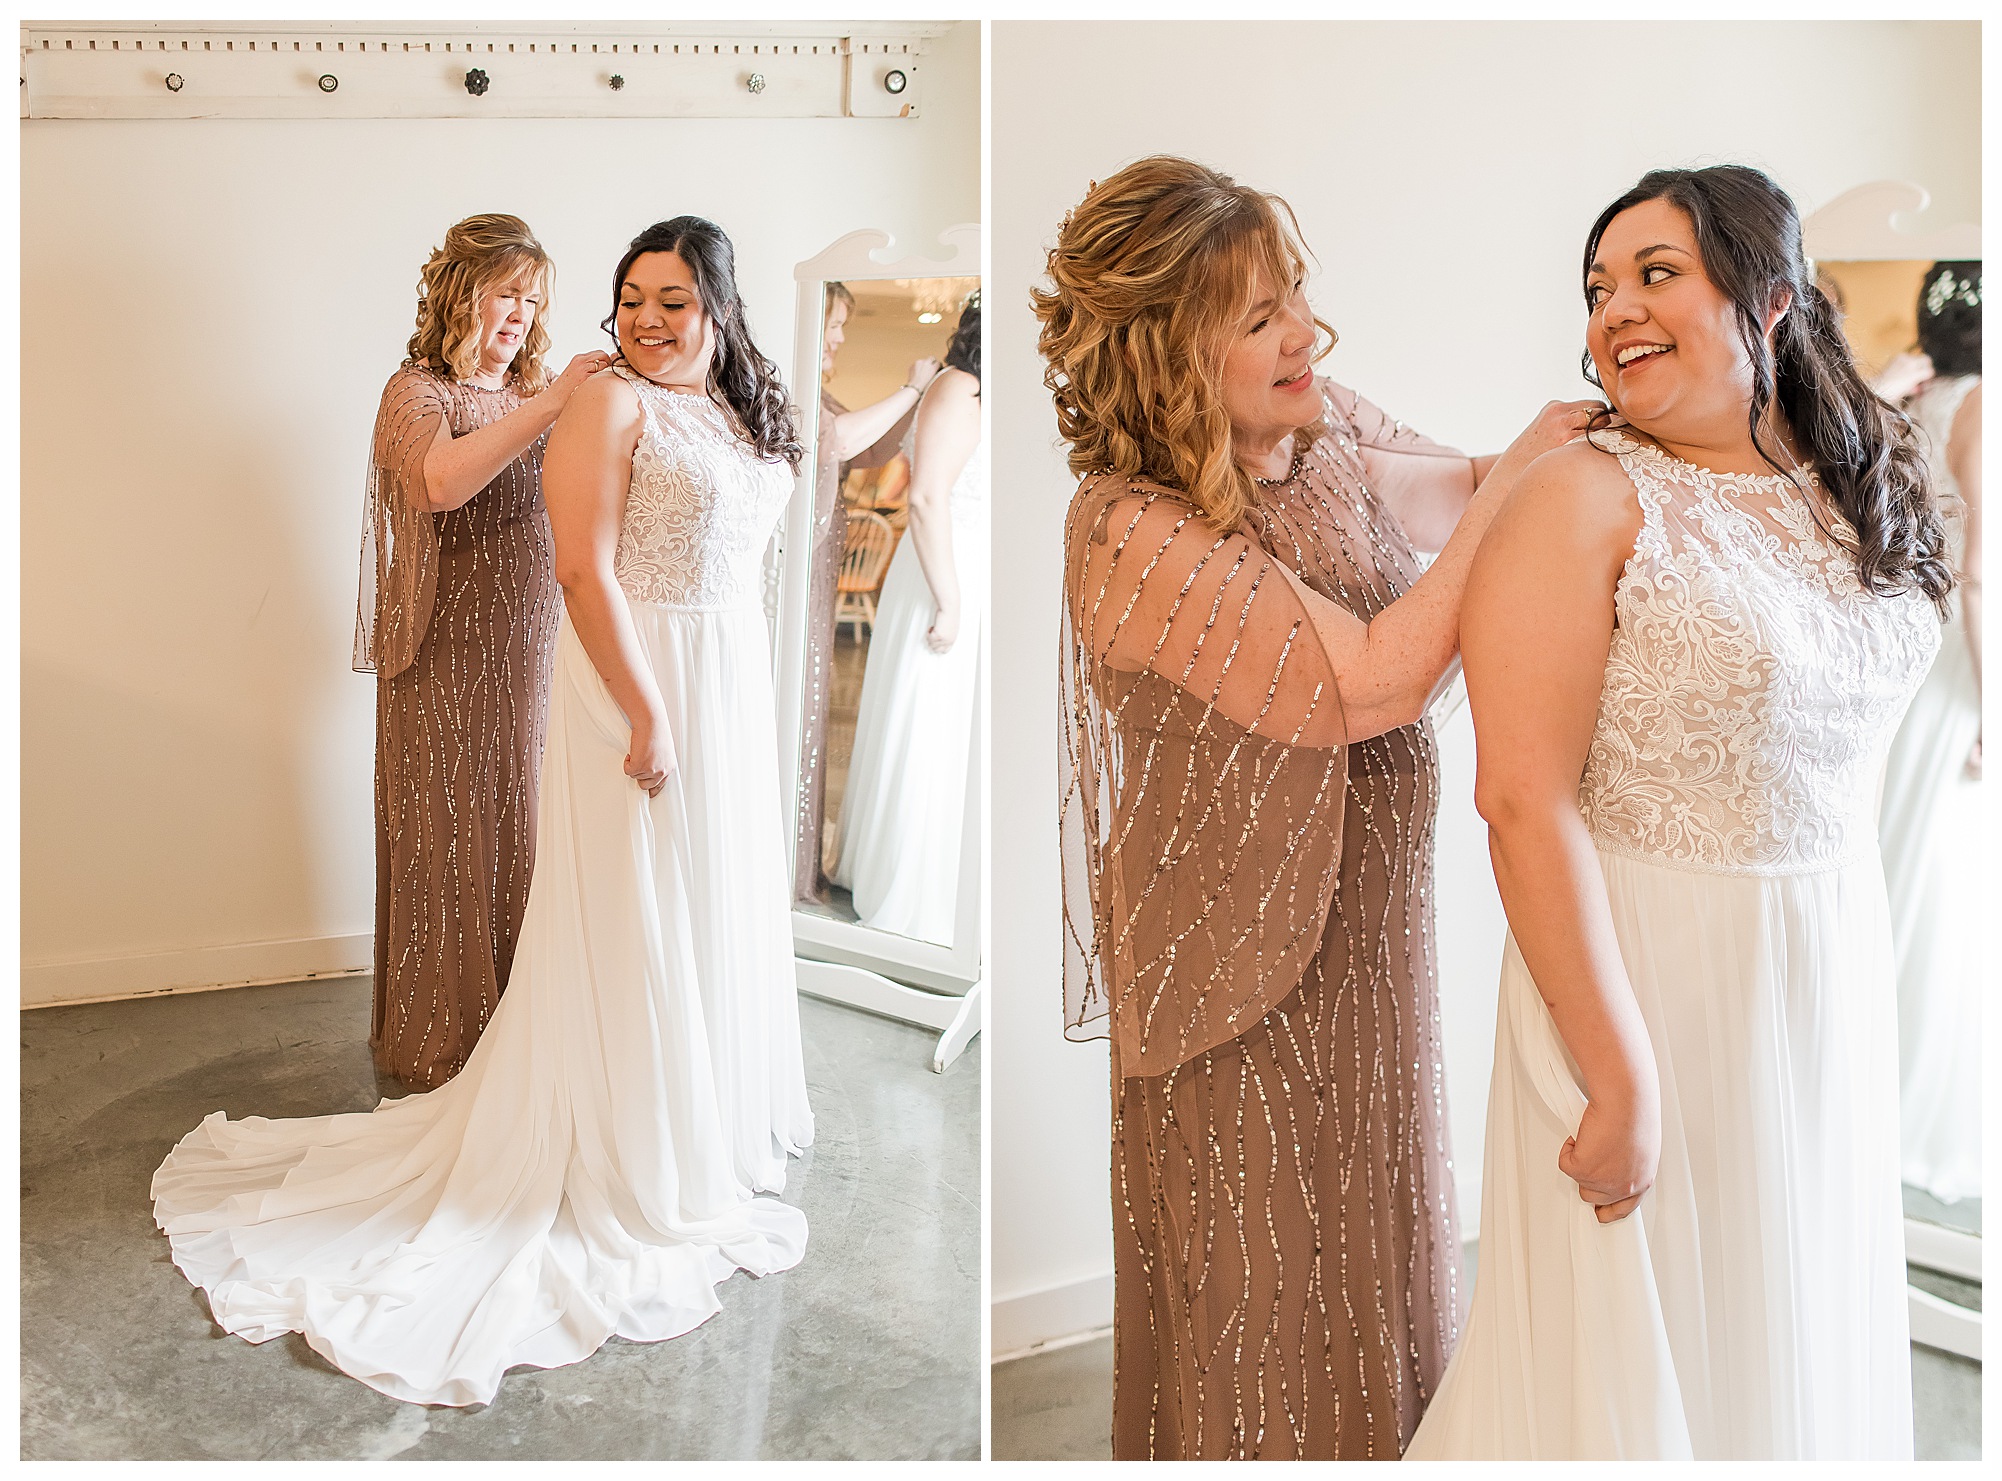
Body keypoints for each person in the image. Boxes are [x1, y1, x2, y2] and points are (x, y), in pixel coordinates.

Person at [153, 216, 813, 1407]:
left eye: (670, 299)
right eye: (629, 298)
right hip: (555, 667)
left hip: (644, 667)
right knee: (535, 878)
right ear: (459, 294)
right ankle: (491, 1065)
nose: (642, 319)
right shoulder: (475, 396)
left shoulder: (700, 407)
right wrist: (647, 707)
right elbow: (492, 509)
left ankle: (692, 1102)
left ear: (718, 305)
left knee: (601, 878)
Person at [1038, 156, 1600, 1460]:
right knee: (1263, 1274)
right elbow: (1371, 682)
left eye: (1292, 293)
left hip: (1365, 935)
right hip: (1234, 961)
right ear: (1166, 354)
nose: (1304, 332)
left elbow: (1459, 490)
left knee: (1373, 1237)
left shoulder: (1319, 418)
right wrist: (1522, 477)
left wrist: (1571, 448)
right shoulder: (1127, 526)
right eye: (1258, 316)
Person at [1407, 166, 1948, 1460]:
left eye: (1656, 274)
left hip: (1819, 960)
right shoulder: (1579, 495)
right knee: (1632, 1374)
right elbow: (1518, 796)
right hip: (1642, 974)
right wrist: (1617, 1073)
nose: (1614, 311)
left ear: (1771, 302)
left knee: (1784, 1321)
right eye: (1597, 289)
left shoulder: (1851, 481)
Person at [355, 214, 613, 1089]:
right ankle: (444, 1042)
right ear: (462, 295)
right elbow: (439, 482)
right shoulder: (416, 392)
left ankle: (519, 1032)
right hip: (445, 658)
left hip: (533, 653)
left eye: (532, 301)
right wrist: (552, 402)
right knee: (448, 834)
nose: (520, 315)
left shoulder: (536, 389)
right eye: (506, 293)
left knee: (525, 827)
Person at [827, 293, 984, 944]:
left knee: (947, 733)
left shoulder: (980, 394)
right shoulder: (958, 387)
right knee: (927, 725)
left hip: (958, 572)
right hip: (938, 577)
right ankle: (905, 888)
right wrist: (950, 600)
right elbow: (924, 498)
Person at [1879, 260, 1983, 1204]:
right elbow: (1981, 572)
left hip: (1915, 645)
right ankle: (1910, 1115)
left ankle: (1880, 1095)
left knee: (1910, 869)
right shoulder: (1979, 403)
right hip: (1959, 660)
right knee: (1941, 883)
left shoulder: (1917, 398)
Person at [793, 283, 941, 904]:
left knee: (814, 705)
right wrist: (911, 387)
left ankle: (800, 861)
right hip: (794, 577)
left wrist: (920, 402)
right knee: (797, 708)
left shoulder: (818, 392)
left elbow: (872, 450)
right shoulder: (790, 391)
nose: (837, 338)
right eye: (834, 324)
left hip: (820, 573)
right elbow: (837, 442)